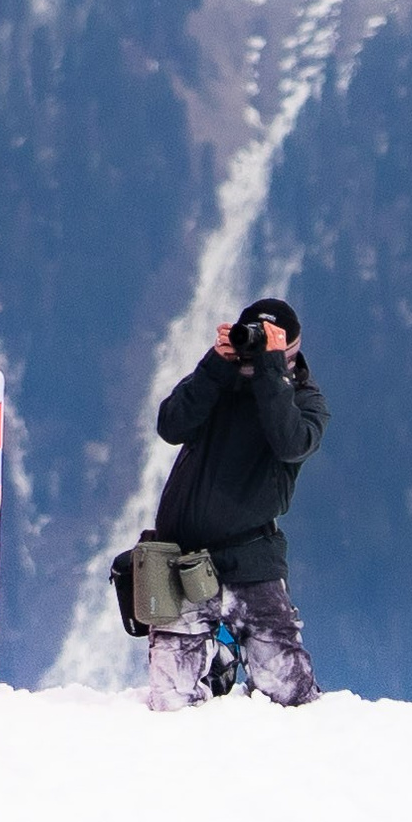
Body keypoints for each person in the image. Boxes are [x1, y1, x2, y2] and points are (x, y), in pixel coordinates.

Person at [143, 297, 328, 708]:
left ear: (289, 349)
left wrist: (271, 371)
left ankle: (224, 657)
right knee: (170, 701)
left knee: (287, 695)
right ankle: (218, 662)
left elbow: (290, 442)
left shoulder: (303, 400)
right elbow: (170, 425)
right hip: (183, 557)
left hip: (251, 559)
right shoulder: (219, 382)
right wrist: (214, 365)